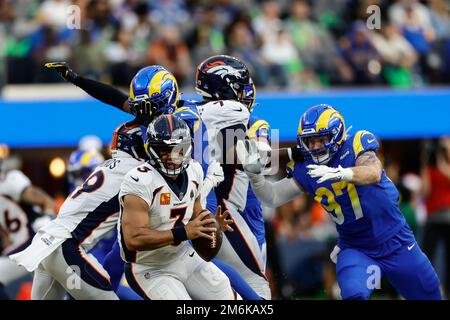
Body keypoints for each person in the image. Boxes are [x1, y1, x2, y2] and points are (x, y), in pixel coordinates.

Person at [44, 60, 264, 300]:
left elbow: (237, 112)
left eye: (151, 107)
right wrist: (77, 79)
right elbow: (116, 99)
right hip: (166, 186)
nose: (144, 115)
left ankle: (256, 301)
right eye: (141, 107)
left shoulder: (191, 114)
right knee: (130, 252)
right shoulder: (158, 112)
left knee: (194, 253)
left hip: (196, 187)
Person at [237, 104, 442, 300]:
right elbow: (273, 197)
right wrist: (255, 177)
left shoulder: (356, 143)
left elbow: (373, 173)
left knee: (430, 294)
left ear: (337, 134)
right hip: (356, 247)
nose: (316, 147)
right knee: (354, 294)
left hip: (396, 241)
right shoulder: (306, 168)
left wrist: (341, 173)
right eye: (310, 141)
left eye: (321, 139)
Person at [119, 114, 237, 300]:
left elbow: (196, 216)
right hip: (148, 266)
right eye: (164, 150)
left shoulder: (194, 170)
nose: (172, 156)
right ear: (151, 149)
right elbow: (133, 239)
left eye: (177, 149)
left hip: (182, 256)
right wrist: (183, 233)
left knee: (225, 292)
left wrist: (211, 226)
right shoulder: (140, 180)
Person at [0, 153, 56, 300]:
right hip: (18, 246)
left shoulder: (9, 181)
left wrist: (47, 218)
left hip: (33, 241)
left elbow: (47, 201)